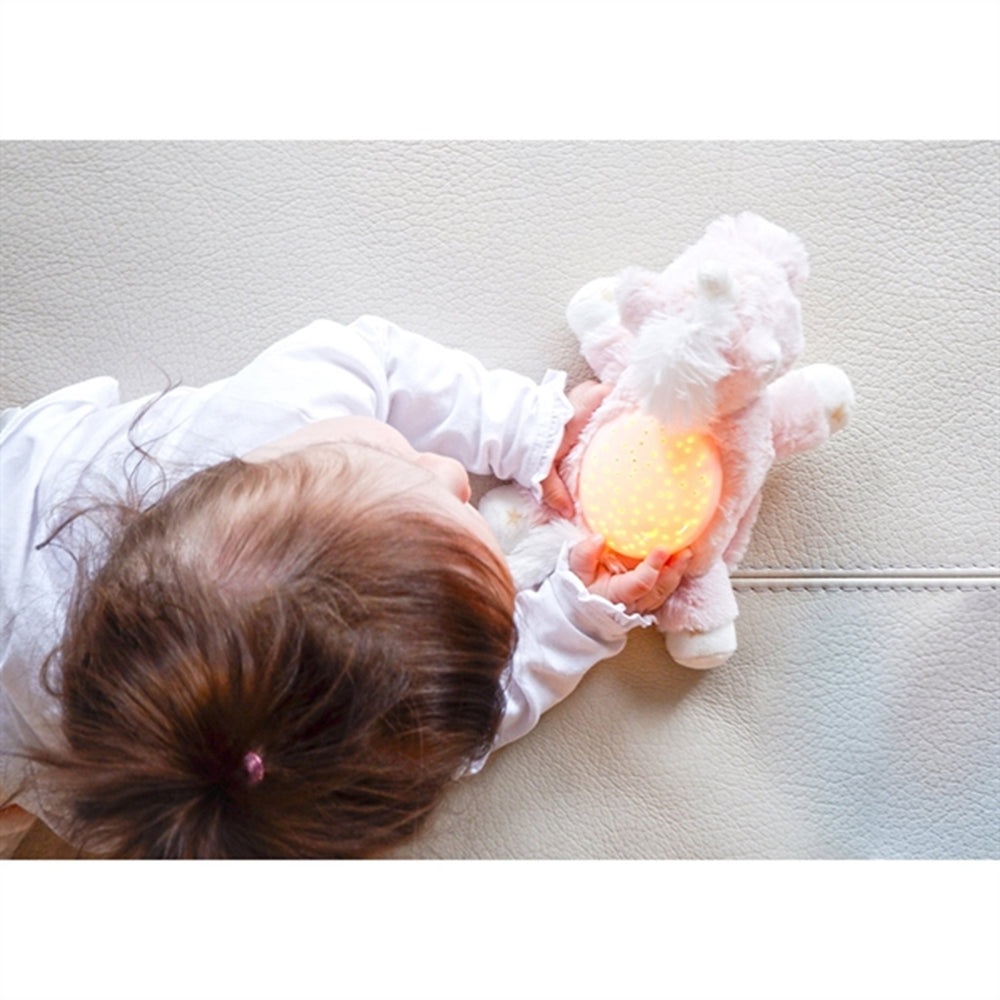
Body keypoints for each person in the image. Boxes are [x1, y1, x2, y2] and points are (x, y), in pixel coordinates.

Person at [0, 315, 690, 858]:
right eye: (445, 491)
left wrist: (534, 432)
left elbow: (443, 723)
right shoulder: (288, 409)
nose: (453, 473)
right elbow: (458, 725)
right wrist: (572, 615)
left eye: (417, 472)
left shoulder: (292, 413)